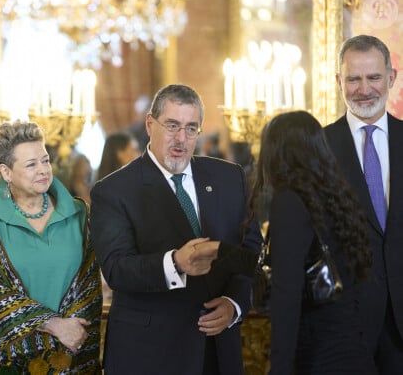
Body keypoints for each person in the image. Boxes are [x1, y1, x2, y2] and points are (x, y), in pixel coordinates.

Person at [90, 84, 261, 375]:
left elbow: (251, 249)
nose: (181, 138)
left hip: (218, 349)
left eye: (191, 128)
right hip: (150, 353)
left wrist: (234, 303)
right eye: (172, 126)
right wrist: (175, 263)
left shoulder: (230, 178)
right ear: (149, 124)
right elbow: (116, 268)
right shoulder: (113, 190)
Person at [0, 121, 102, 374]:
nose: (43, 170)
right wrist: (50, 324)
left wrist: (67, 332)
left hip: (69, 358)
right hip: (5, 364)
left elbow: (88, 290)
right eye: (31, 164)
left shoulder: (79, 213)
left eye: (45, 160)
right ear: (6, 172)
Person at [251, 111, 375, 374]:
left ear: (277, 152)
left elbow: (287, 293)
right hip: (351, 348)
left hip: (318, 355)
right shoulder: (335, 196)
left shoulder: (289, 201)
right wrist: (223, 254)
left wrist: (279, 368)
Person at [325, 34, 403, 374]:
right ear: (339, 81)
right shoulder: (317, 147)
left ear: (391, 78)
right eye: (353, 79)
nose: (364, 88)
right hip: (341, 324)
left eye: (373, 77)